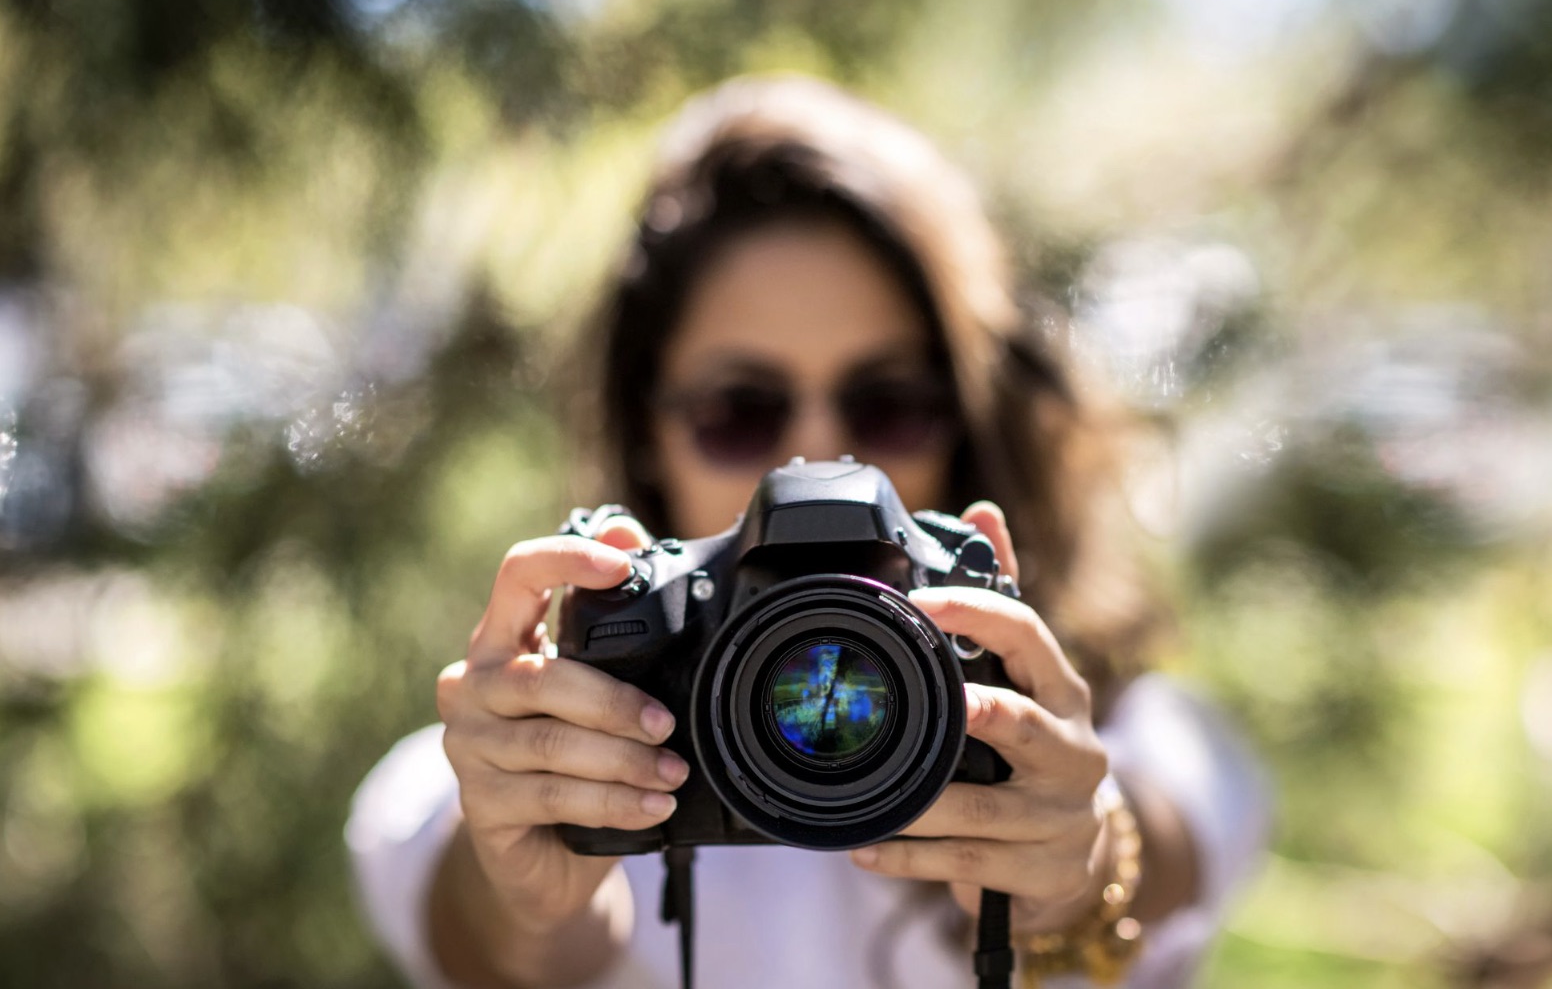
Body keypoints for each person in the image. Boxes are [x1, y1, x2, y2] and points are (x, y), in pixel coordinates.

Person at [346, 75, 1270, 989]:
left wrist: (1083, 858)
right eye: (740, 409)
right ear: (645, 434)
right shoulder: (569, 739)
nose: (817, 456)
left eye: (890, 403)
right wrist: (523, 884)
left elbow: (1175, 816)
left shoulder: (1096, 725)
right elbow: (467, 912)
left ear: (970, 420)